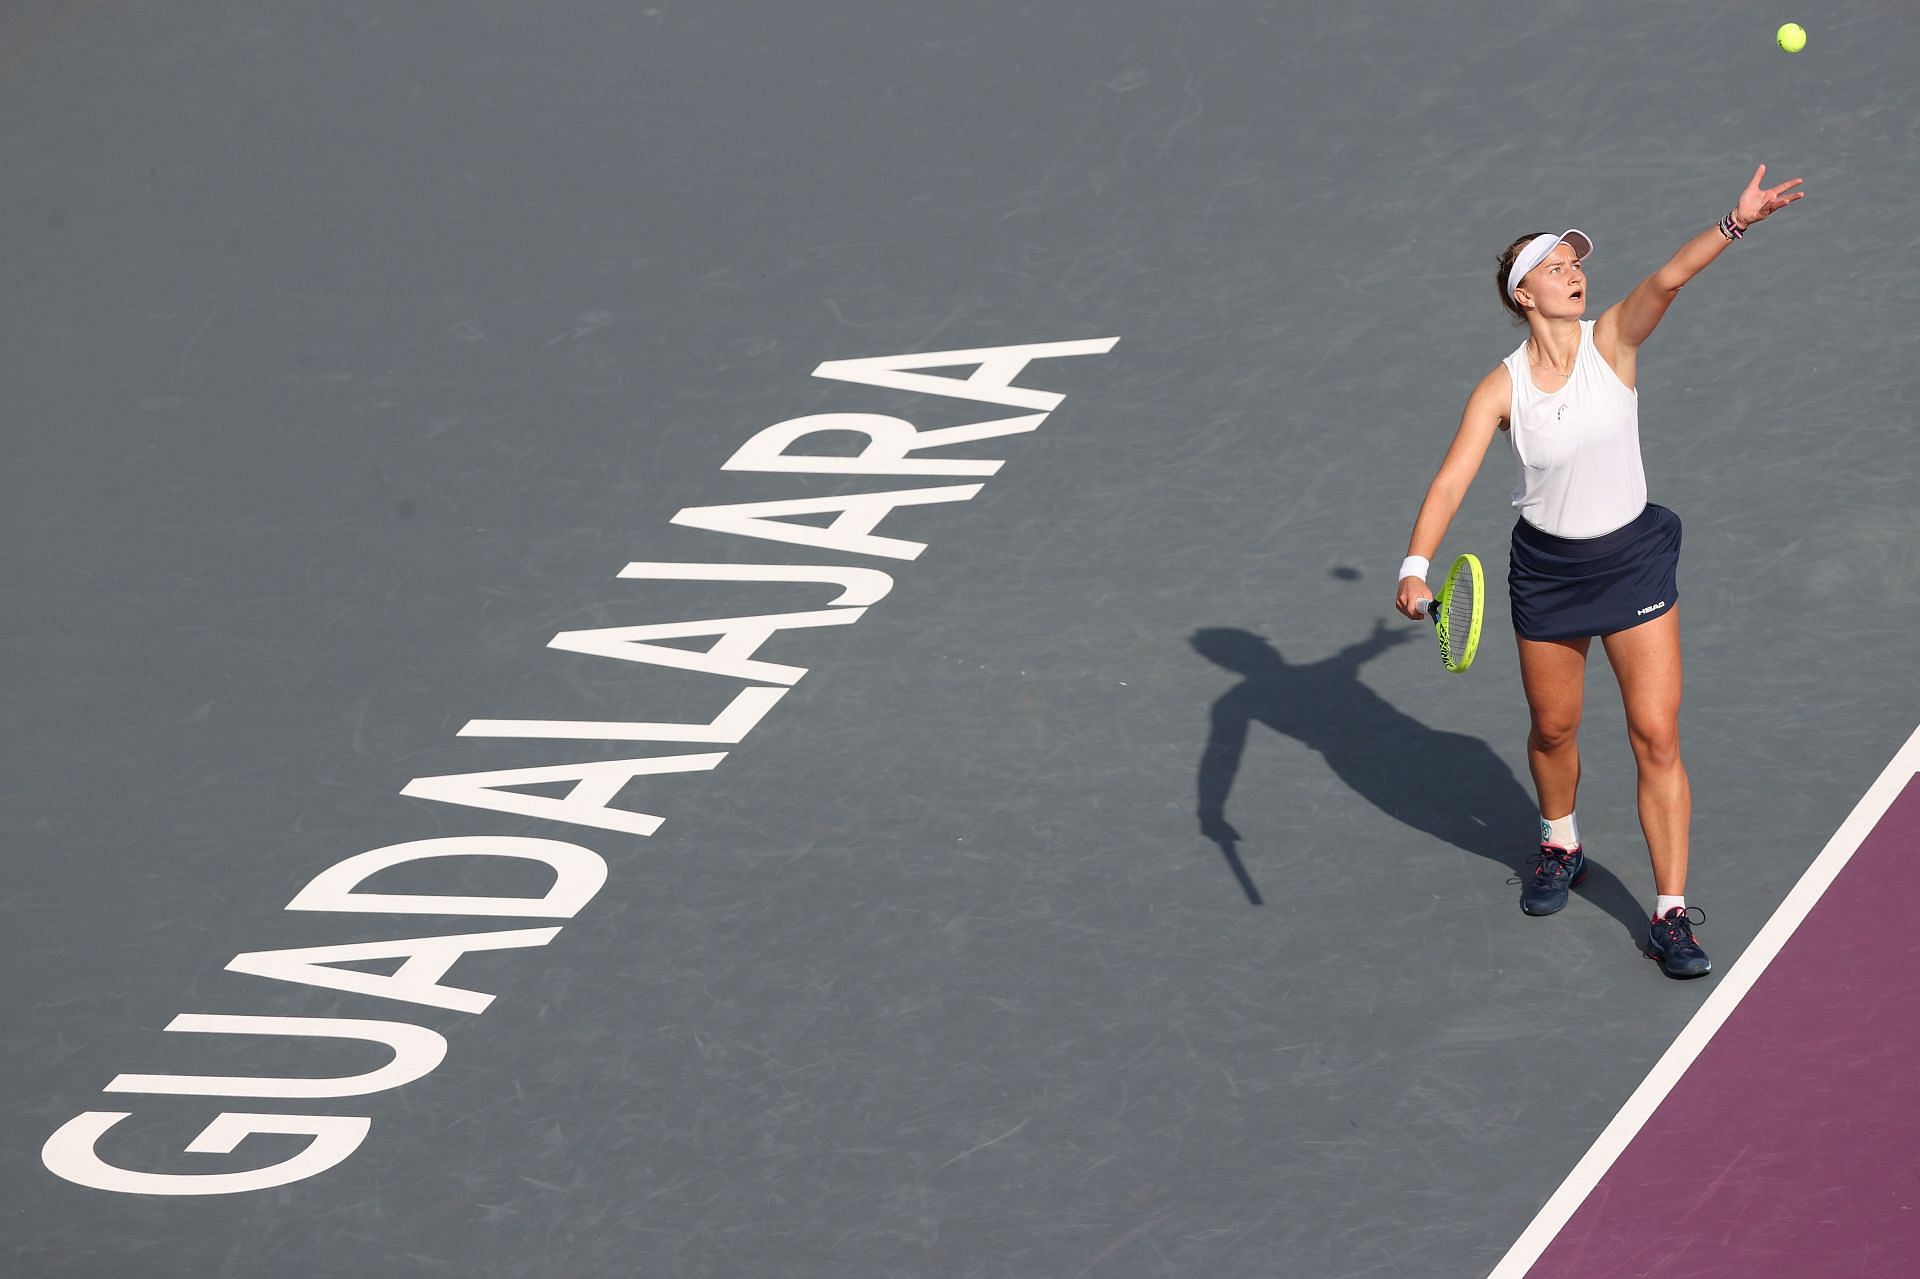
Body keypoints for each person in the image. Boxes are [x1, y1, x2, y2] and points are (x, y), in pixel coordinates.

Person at [1395, 166, 1804, 978]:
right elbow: (1451, 479)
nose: (1575, 273)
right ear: (1523, 296)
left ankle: (1670, 912)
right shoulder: (1500, 388)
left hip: (1633, 558)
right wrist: (1414, 566)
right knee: (1553, 729)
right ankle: (1560, 841)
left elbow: (1669, 278)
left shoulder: (1613, 340)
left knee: (1656, 733)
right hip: (1547, 572)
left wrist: (1736, 221)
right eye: (1555, 268)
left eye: (1575, 263)